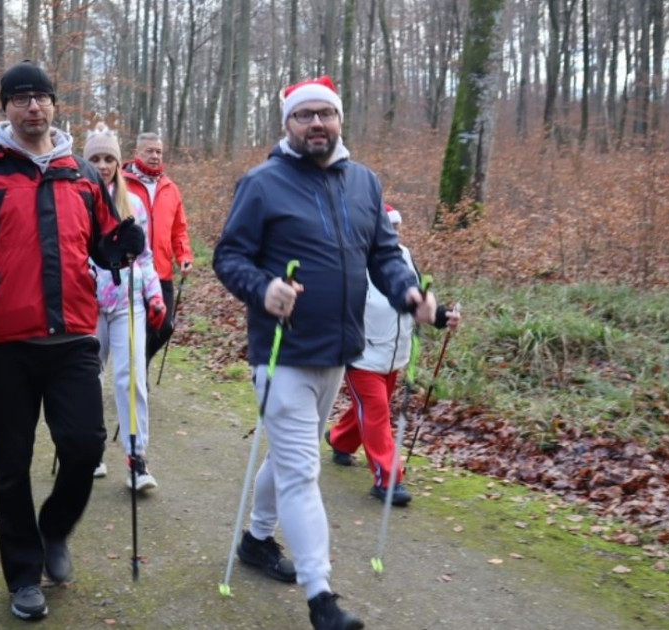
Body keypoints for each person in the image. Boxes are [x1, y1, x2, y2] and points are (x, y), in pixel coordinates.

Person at [213, 76, 457, 630]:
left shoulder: (364, 183)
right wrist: (263, 289)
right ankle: (321, 597)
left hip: (339, 352)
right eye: (305, 116)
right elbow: (229, 257)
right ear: (287, 124)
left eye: (326, 114)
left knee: (287, 456)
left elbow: (384, 256)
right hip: (281, 352)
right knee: (302, 470)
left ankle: (255, 541)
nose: (317, 124)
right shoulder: (261, 183)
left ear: (340, 120)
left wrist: (411, 295)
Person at [0, 60, 144, 621]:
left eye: (41, 97)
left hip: (73, 336)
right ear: (5, 107)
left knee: (83, 447)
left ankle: (53, 530)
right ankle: (23, 574)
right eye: (20, 98)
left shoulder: (80, 175)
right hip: (5, 340)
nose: (32, 107)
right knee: (11, 465)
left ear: (54, 105)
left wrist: (122, 242)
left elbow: (101, 245)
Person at [326, 204, 437, 506]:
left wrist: (440, 316)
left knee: (370, 409)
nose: (394, 235)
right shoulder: (352, 260)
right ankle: (387, 480)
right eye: (389, 228)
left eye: (396, 228)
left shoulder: (401, 256)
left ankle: (339, 439)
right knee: (376, 413)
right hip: (360, 355)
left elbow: (415, 300)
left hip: (393, 354)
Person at [83, 123, 167, 490]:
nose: (102, 165)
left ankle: (136, 458)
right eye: (96, 158)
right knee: (86, 378)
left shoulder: (131, 204)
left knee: (131, 378)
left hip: (127, 302)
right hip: (86, 305)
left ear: (119, 163)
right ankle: (89, 449)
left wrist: (155, 296)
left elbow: (144, 257)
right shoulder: (75, 200)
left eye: (108, 159)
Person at [123, 132, 192, 364]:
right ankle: (137, 376)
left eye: (158, 152)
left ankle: (139, 366)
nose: (155, 156)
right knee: (135, 327)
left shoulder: (170, 188)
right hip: (131, 271)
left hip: (161, 271)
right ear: (136, 154)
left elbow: (179, 230)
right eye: (149, 151)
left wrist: (183, 256)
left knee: (164, 326)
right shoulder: (121, 184)